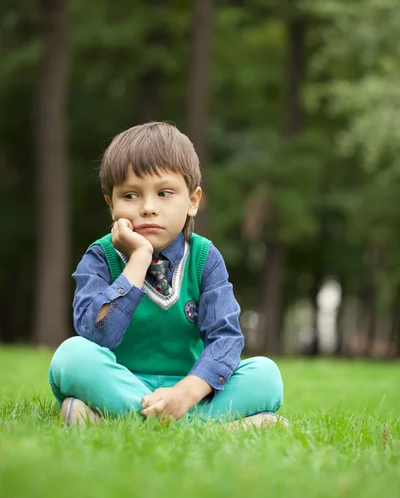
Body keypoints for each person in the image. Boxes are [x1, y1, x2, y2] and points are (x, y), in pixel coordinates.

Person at [49, 122, 286, 427]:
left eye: (164, 193)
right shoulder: (101, 256)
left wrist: (186, 392)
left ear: (192, 201)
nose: (148, 207)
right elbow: (97, 334)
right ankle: (207, 428)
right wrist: (138, 259)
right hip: (118, 383)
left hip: (189, 389)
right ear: (111, 204)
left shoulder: (205, 259)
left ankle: (115, 421)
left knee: (265, 376)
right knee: (72, 357)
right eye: (130, 196)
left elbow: (225, 339)